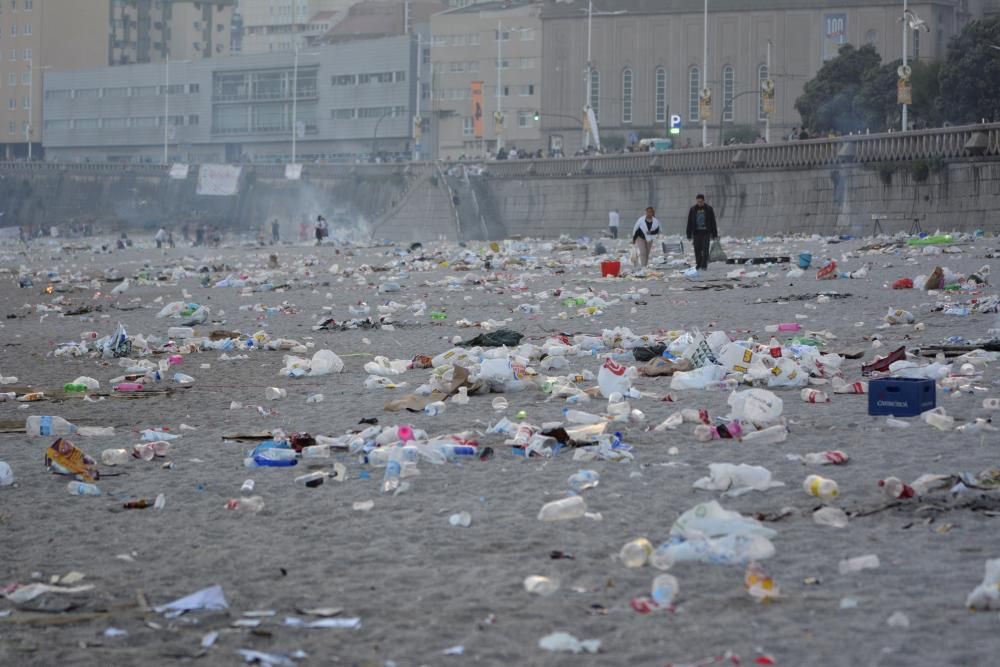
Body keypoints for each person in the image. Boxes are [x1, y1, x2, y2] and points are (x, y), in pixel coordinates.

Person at [686, 194, 719, 271]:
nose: (699, 203)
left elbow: (713, 222)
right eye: (698, 202)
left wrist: (714, 234)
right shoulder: (693, 209)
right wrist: (688, 234)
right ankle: (698, 264)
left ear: (703, 201)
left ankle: (704, 265)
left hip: (706, 232)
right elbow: (689, 222)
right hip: (696, 232)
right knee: (697, 249)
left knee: (705, 249)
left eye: (700, 202)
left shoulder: (709, 209)